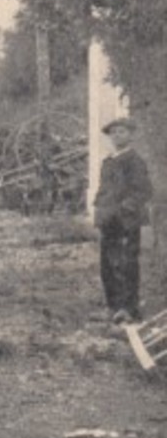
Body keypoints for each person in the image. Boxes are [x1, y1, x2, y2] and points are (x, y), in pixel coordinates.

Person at [93, 117, 154, 325]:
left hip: (127, 222)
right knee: (108, 264)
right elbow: (103, 191)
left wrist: (123, 210)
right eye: (114, 133)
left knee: (127, 264)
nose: (117, 136)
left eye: (122, 132)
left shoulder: (134, 161)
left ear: (130, 135)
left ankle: (129, 309)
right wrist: (101, 212)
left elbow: (143, 191)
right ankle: (113, 306)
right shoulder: (107, 162)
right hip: (108, 221)